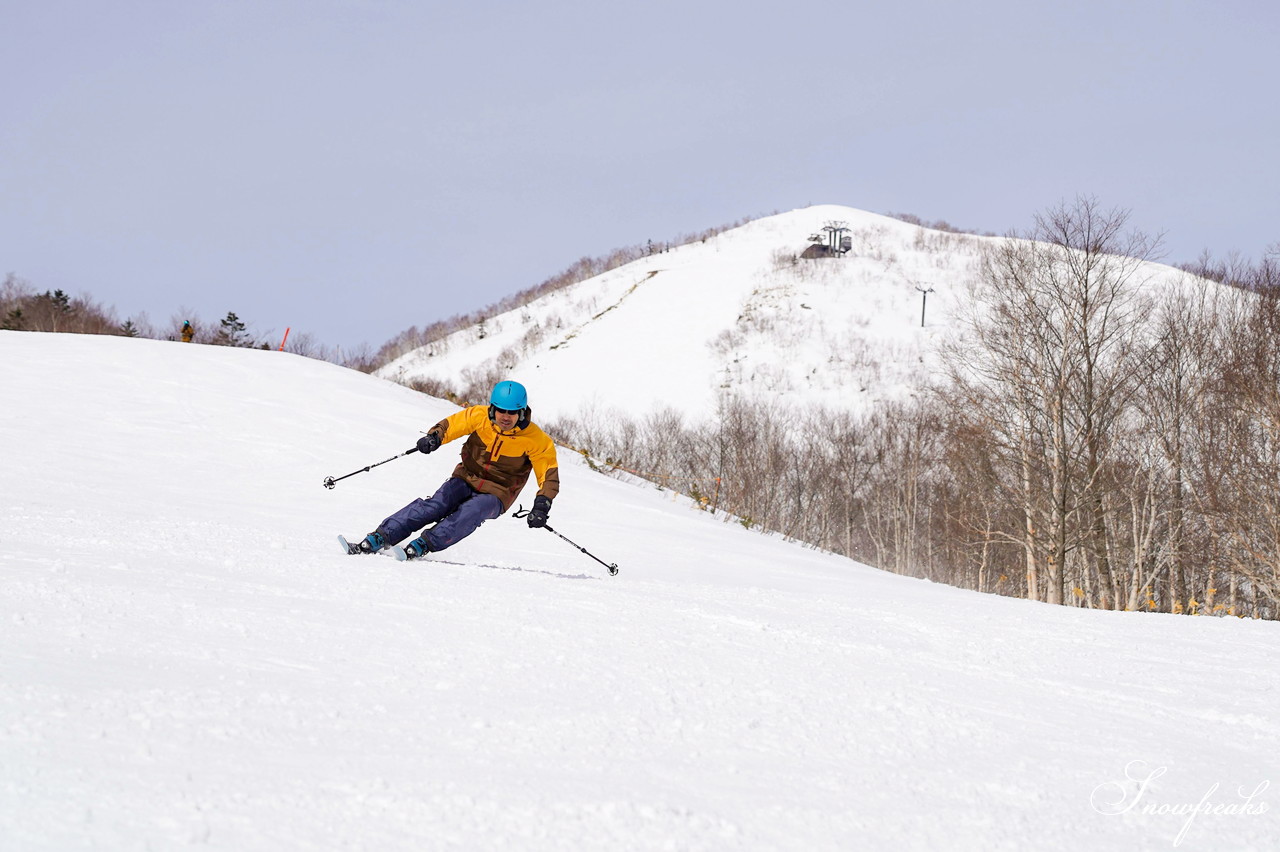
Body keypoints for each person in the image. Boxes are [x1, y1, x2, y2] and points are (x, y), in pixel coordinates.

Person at [347, 380, 559, 560]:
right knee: (436, 505)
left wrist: (542, 505)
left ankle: (425, 543)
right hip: (466, 477)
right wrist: (434, 437)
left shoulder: (536, 440)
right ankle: (381, 536)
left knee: (471, 512)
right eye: (501, 410)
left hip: (499, 492)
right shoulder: (479, 416)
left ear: (522, 413)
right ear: (493, 408)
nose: (505, 417)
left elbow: (548, 475)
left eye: (512, 413)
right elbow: (453, 425)